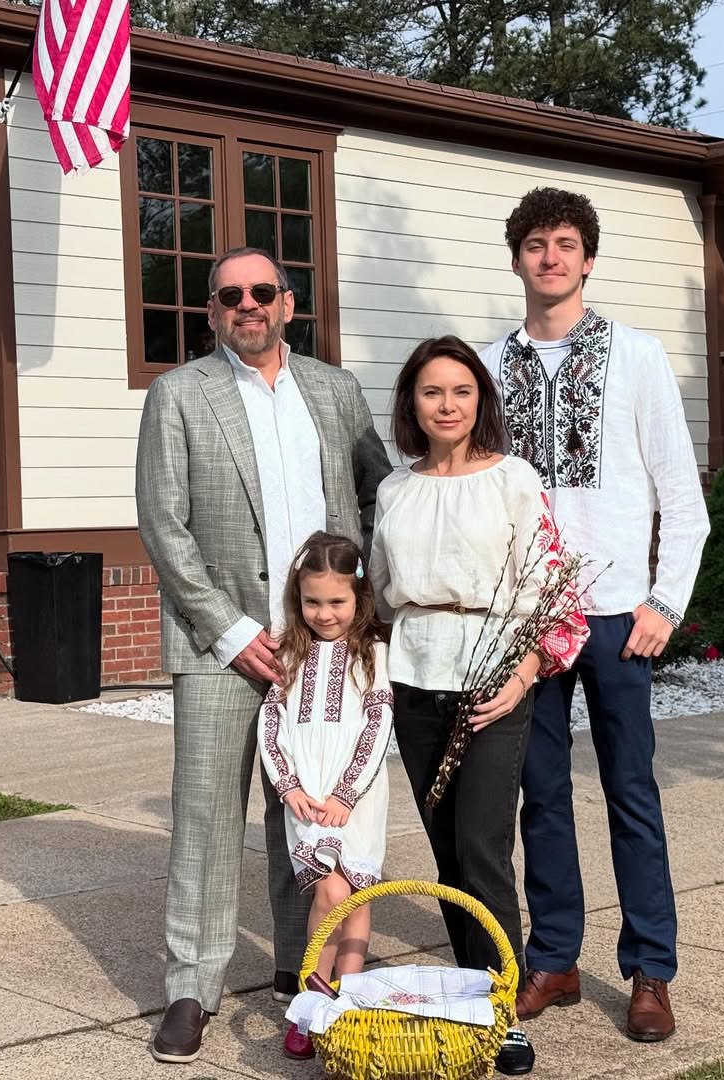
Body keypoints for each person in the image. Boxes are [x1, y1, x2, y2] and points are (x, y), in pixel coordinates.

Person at [135, 247, 392, 1064]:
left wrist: (368, 616)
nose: (246, 305)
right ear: (213, 311)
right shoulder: (178, 395)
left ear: (289, 303)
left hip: (324, 641)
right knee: (208, 814)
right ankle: (191, 985)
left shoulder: (336, 390)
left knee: (310, 802)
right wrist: (234, 629)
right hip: (222, 643)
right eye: (228, 296)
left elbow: (380, 492)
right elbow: (163, 526)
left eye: (261, 292)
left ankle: (299, 963)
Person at [479, 188, 710, 1042]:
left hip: (616, 615)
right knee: (537, 794)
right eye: (535, 243)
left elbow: (683, 499)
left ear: (587, 257)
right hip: (526, 621)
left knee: (630, 792)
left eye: (566, 243)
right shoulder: (486, 366)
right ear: (515, 259)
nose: (551, 257)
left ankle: (650, 969)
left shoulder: (638, 357)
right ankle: (555, 959)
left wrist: (664, 601)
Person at [369, 335, 588, 1077]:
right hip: (415, 679)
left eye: (461, 391)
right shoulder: (396, 490)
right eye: (432, 392)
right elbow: (377, 592)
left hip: (494, 681)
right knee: (442, 850)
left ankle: (502, 1008)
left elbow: (559, 593)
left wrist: (524, 675)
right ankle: (466, 997)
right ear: (412, 405)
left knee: (483, 849)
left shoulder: (515, 482)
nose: (448, 405)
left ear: (480, 401)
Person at [257, 531, 394, 1061]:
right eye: (312, 601)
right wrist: (287, 784)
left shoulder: (372, 655)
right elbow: (272, 722)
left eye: (336, 601)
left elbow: (378, 725)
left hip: (354, 796)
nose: (324, 612)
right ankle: (314, 1003)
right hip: (307, 799)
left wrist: (347, 792)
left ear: (359, 599)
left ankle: (348, 1002)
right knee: (329, 893)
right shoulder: (289, 653)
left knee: (354, 893)